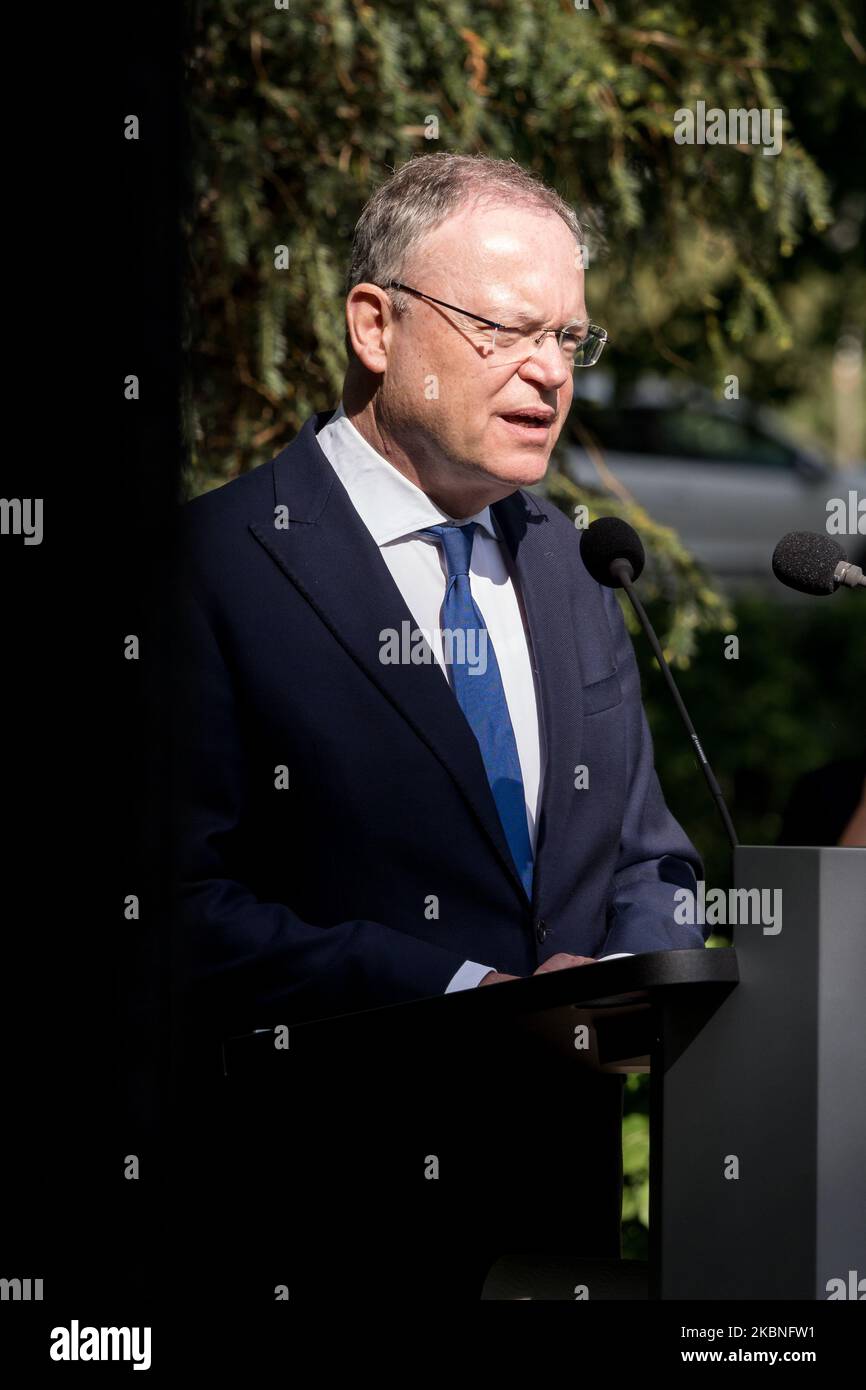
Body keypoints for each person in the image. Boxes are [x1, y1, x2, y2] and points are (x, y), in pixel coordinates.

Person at [170, 151, 707, 1040]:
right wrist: (461, 993)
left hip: (558, 1153)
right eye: (507, 329)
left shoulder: (578, 563)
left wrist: (620, 983)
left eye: (569, 338)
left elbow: (648, 860)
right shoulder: (210, 568)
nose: (551, 373)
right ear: (377, 328)